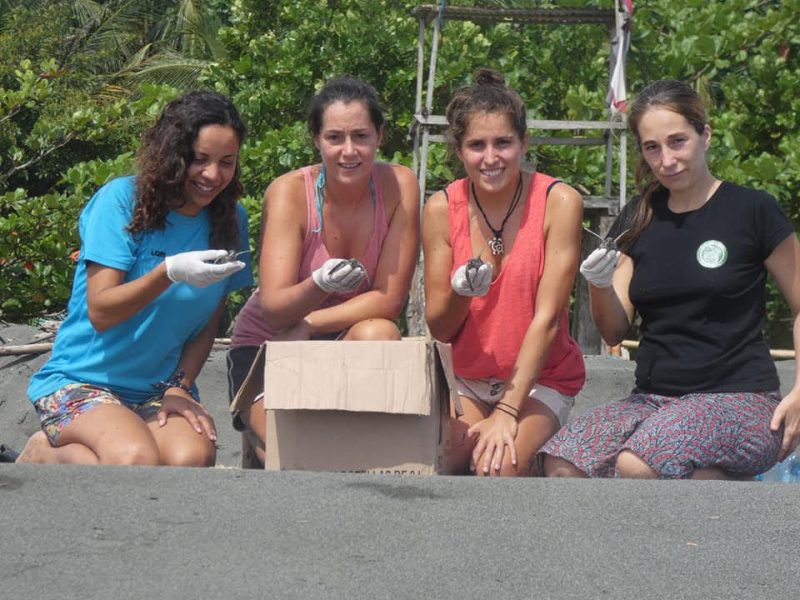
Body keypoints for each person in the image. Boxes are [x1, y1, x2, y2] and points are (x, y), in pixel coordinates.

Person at [541, 79, 800, 479]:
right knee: (562, 463)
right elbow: (613, 330)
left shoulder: (754, 210)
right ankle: (707, 484)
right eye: (652, 147)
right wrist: (599, 283)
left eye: (677, 141)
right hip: (651, 399)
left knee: (638, 464)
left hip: (741, 400)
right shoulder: (639, 216)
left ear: (705, 136)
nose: (666, 159)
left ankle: (724, 496)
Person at [16, 90, 253, 466]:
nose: (213, 175)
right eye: (200, 159)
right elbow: (102, 310)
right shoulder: (123, 200)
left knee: (190, 458)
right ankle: (42, 453)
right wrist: (168, 272)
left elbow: (209, 323)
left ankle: (79, 458)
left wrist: (180, 387)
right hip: (82, 380)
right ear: (174, 154)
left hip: (156, 389)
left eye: (227, 162)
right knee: (134, 457)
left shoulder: (230, 220)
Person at [227, 75, 420, 466]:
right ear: (316, 139)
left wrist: (311, 322)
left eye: (361, 136)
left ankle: (326, 434)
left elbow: (389, 299)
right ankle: (262, 433)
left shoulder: (400, 185)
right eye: (335, 137)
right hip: (272, 344)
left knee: (381, 334)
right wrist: (317, 284)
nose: (349, 151)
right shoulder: (289, 193)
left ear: (380, 136)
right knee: (301, 454)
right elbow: (276, 310)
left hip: (337, 336)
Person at [422, 69, 586, 477]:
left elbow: (548, 319)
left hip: (539, 379)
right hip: (468, 377)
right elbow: (439, 327)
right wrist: (461, 292)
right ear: (459, 151)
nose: (491, 158)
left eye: (503, 143)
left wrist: (508, 411)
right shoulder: (441, 209)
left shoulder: (559, 201)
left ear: (524, 143)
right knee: (438, 463)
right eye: (477, 145)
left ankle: (542, 453)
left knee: (496, 468)